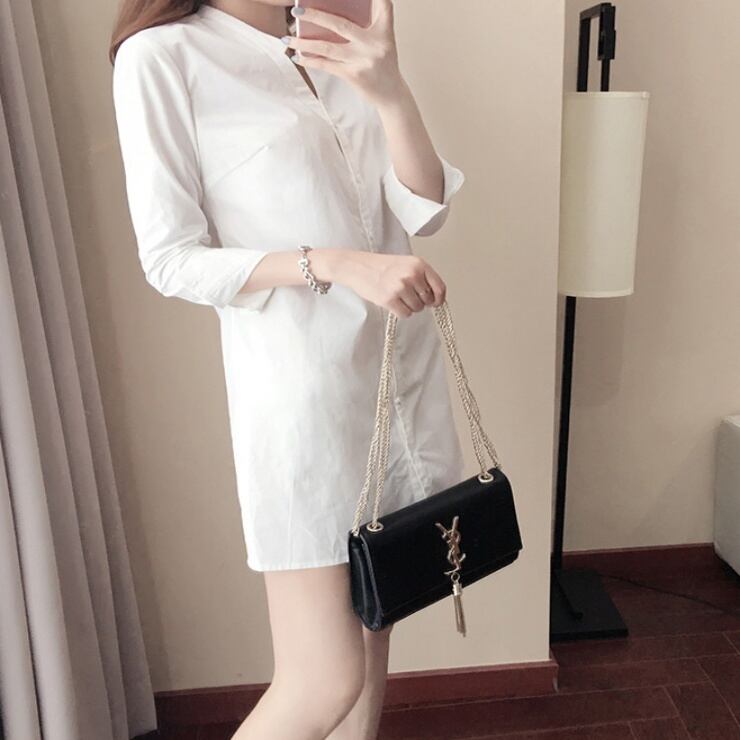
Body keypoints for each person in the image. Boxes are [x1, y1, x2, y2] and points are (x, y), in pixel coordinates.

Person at [110, 0, 467, 737]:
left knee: (376, 628)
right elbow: (171, 258)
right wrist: (335, 263)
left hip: (395, 377)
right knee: (324, 677)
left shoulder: (336, 40)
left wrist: (390, 89)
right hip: (305, 399)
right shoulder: (164, 57)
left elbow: (426, 209)